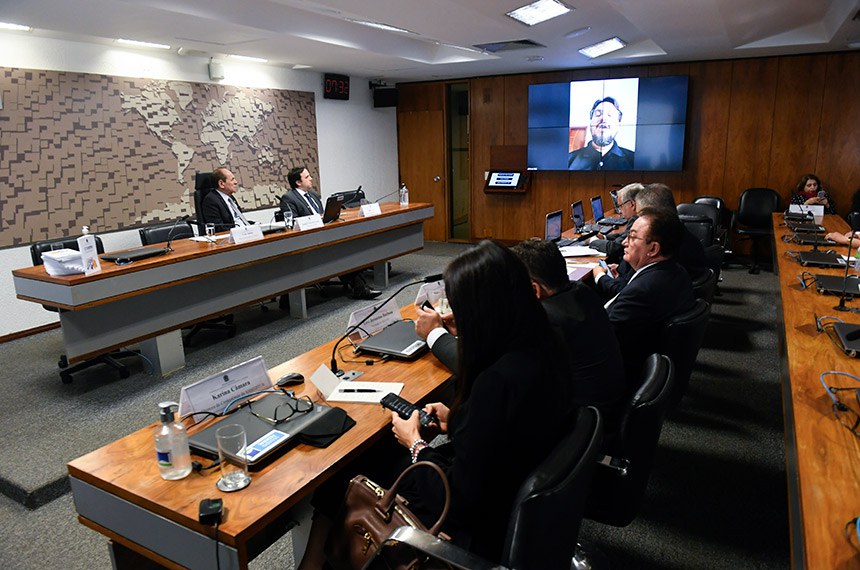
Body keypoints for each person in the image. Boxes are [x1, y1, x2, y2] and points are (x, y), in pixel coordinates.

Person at [297, 240, 577, 567]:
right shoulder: (546, 341)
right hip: (512, 493)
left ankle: (316, 564)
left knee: (347, 472)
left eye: (461, 308)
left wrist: (415, 443)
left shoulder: (496, 383)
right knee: (379, 453)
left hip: (477, 523)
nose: (454, 317)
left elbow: (458, 500)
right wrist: (456, 419)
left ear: (482, 311)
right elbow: (504, 429)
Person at [416, 238, 625, 416]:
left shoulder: (547, 321)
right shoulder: (581, 292)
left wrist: (434, 333)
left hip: (573, 428)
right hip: (592, 416)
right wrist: (472, 322)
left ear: (533, 291)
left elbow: (482, 369)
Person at [605, 207, 695, 383]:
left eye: (632, 237)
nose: (624, 242)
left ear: (653, 249)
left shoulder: (641, 291)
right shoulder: (677, 272)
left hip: (620, 373)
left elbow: (603, 341)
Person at [279, 166, 381, 300]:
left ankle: (360, 287)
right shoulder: (288, 198)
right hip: (307, 241)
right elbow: (292, 224)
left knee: (344, 247)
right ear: (298, 182)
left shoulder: (314, 195)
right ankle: (360, 288)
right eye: (307, 177)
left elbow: (324, 216)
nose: (311, 179)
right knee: (339, 252)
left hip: (324, 236)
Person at [593, 182, 706, 300]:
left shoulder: (664, 246)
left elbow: (626, 292)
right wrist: (623, 271)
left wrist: (600, 276)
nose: (639, 219)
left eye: (641, 215)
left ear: (655, 214)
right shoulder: (681, 233)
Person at [568, 97, 635, 171]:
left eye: (610, 115)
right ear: (590, 122)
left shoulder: (634, 161)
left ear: (618, 125)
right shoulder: (569, 160)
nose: (603, 118)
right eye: (598, 114)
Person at [587, 182, 643, 263]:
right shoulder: (642, 215)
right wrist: (604, 237)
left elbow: (615, 248)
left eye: (621, 206)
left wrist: (592, 240)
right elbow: (623, 235)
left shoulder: (637, 219)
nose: (619, 211)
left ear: (632, 204)